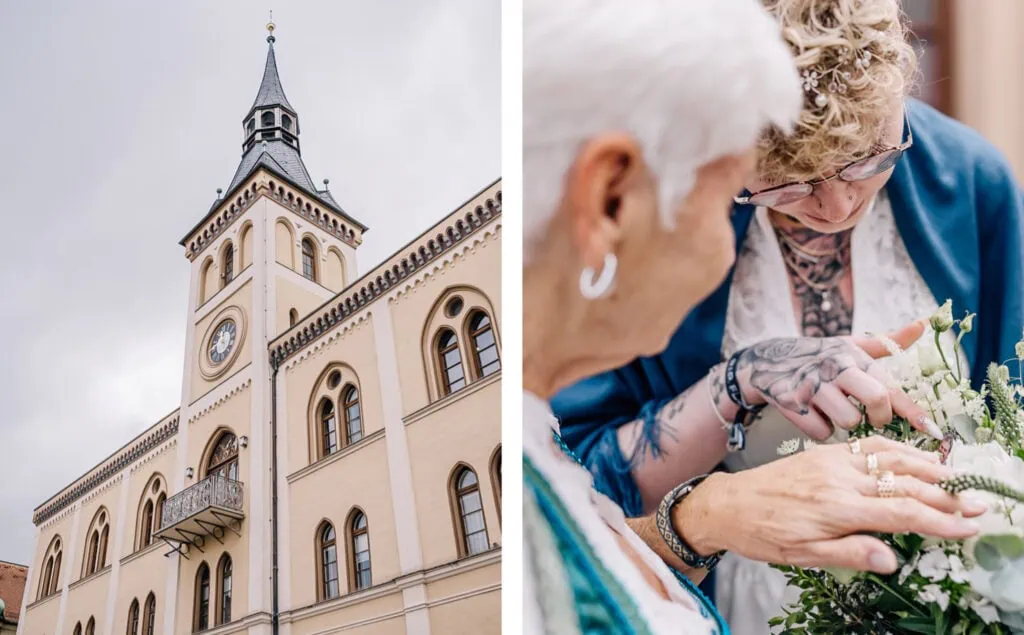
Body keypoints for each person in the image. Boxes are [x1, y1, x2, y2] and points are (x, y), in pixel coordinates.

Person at [550, 0, 1024, 631]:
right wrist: (733, 384)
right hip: (731, 599)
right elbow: (577, 487)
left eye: (867, 158)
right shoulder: (660, 217)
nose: (834, 205)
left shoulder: (975, 184)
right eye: (789, 182)